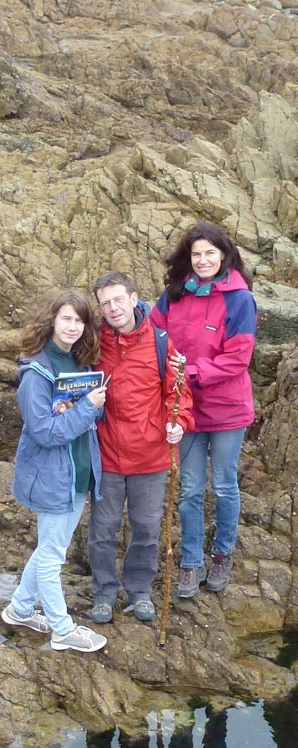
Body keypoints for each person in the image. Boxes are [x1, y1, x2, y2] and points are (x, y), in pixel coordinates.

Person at [150, 221, 257, 597]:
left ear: (224, 255)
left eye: (210, 253)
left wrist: (190, 372)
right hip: (186, 409)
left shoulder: (240, 299)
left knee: (224, 485)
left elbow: (239, 358)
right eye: (196, 254)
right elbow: (152, 336)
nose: (203, 260)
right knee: (190, 488)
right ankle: (192, 562)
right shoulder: (174, 294)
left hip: (227, 409)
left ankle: (222, 554)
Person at [2, 290, 107, 653]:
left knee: (51, 547)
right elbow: (45, 432)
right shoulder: (36, 372)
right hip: (53, 476)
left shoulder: (80, 364)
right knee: (52, 555)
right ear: (51, 321)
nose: (73, 327)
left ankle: (19, 610)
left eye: (79, 321)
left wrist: (94, 406)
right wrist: (88, 407)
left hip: (78, 473)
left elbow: (85, 418)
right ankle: (62, 629)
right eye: (66, 319)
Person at [88, 270, 193, 624]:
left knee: (147, 529)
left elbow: (177, 393)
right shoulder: (92, 345)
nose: (113, 308)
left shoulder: (161, 342)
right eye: (105, 303)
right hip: (106, 456)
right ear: (99, 308)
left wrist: (179, 422)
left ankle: (139, 590)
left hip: (151, 456)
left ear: (134, 299)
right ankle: (104, 593)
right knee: (102, 530)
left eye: (119, 299)